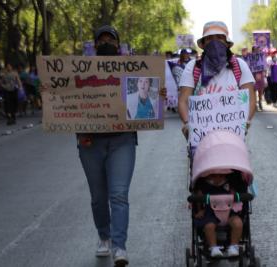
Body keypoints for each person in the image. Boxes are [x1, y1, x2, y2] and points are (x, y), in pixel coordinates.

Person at [72, 25, 166, 267]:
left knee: (119, 194)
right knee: (98, 196)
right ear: (94, 45)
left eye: (110, 40)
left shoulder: (131, 69)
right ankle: (104, 235)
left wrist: (160, 94)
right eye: (101, 40)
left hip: (122, 140)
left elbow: (148, 93)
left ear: (118, 44)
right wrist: (50, 91)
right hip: (89, 141)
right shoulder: (80, 71)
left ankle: (119, 246)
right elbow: (63, 95)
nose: (106, 43)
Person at [178, 20, 256, 138]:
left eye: (219, 38)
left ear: (227, 43)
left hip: (234, 138)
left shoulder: (239, 66)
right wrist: (187, 124)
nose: (214, 43)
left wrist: (246, 122)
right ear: (203, 44)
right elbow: (183, 101)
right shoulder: (193, 67)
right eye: (209, 38)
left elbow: (251, 100)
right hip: (201, 140)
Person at [193, 170, 244, 257]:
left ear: (225, 176)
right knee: (209, 227)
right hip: (210, 213)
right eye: (214, 176)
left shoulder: (229, 184)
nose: (218, 178)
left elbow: (235, 195)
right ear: (209, 176)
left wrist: (235, 194)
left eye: (221, 176)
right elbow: (199, 198)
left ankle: (234, 246)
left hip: (229, 212)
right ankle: (213, 248)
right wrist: (200, 210)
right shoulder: (204, 185)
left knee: (238, 223)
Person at [251, 46, 266, 111]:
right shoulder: (251, 57)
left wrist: (264, 73)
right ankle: (255, 104)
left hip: (260, 73)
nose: (258, 50)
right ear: (253, 50)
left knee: (261, 89)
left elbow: (264, 65)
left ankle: (260, 103)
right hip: (253, 74)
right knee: (253, 90)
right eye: (256, 49)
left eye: (258, 49)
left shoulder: (262, 56)